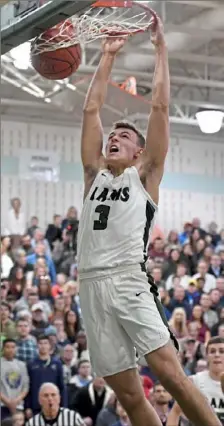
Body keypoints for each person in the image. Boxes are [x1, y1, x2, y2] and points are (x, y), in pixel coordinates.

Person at [77, 11, 222, 426]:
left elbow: (159, 105)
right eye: (113, 135)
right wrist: (107, 56)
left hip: (127, 278)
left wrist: (161, 48)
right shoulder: (93, 176)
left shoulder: (146, 176)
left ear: (140, 152)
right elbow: (91, 111)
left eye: (123, 136)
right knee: (127, 393)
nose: (113, 138)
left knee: (170, 374)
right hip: (90, 284)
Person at [167, 336, 224, 426]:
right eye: (212, 351)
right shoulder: (194, 381)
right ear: (207, 356)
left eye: (222, 351)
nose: (217, 355)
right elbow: (175, 412)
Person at [1, 339, 29, 420]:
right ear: (3, 349)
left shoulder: (22, 365)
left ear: (16, 349)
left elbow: (26, 386)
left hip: (18, 406)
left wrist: (16, 401)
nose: (10, 350)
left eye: (13, 347)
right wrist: (8, 402)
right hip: (2, 405)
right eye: (7, 347)